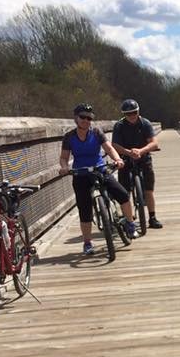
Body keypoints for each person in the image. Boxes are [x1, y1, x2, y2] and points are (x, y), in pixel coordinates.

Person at [58, 103, 137, 255]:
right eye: (83, 117)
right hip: (80, 173)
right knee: (84, 209)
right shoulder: (69, 137)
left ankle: (130, 223)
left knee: (123, 194)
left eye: (89, 118)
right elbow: (63, 157)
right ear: (76, 118)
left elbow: (109, 148)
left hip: (100, 169)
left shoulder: (96, 132)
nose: (86, 120)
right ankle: (87, 243)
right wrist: (64, 167)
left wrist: (117, 159)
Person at [112, 98, 162, 229]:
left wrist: (141, 151)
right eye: (128, 114)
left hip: (143, 157)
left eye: (134, 112)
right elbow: (114, 145)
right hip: (126, 159)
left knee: (149, 190)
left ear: (138, 111)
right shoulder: (119, 126)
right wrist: (128, 152)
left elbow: (154, 142)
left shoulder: (145, 123)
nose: (132, 116)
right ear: (124, 114)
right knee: (124, 190)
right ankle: (128, 216)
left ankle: (152, 217)